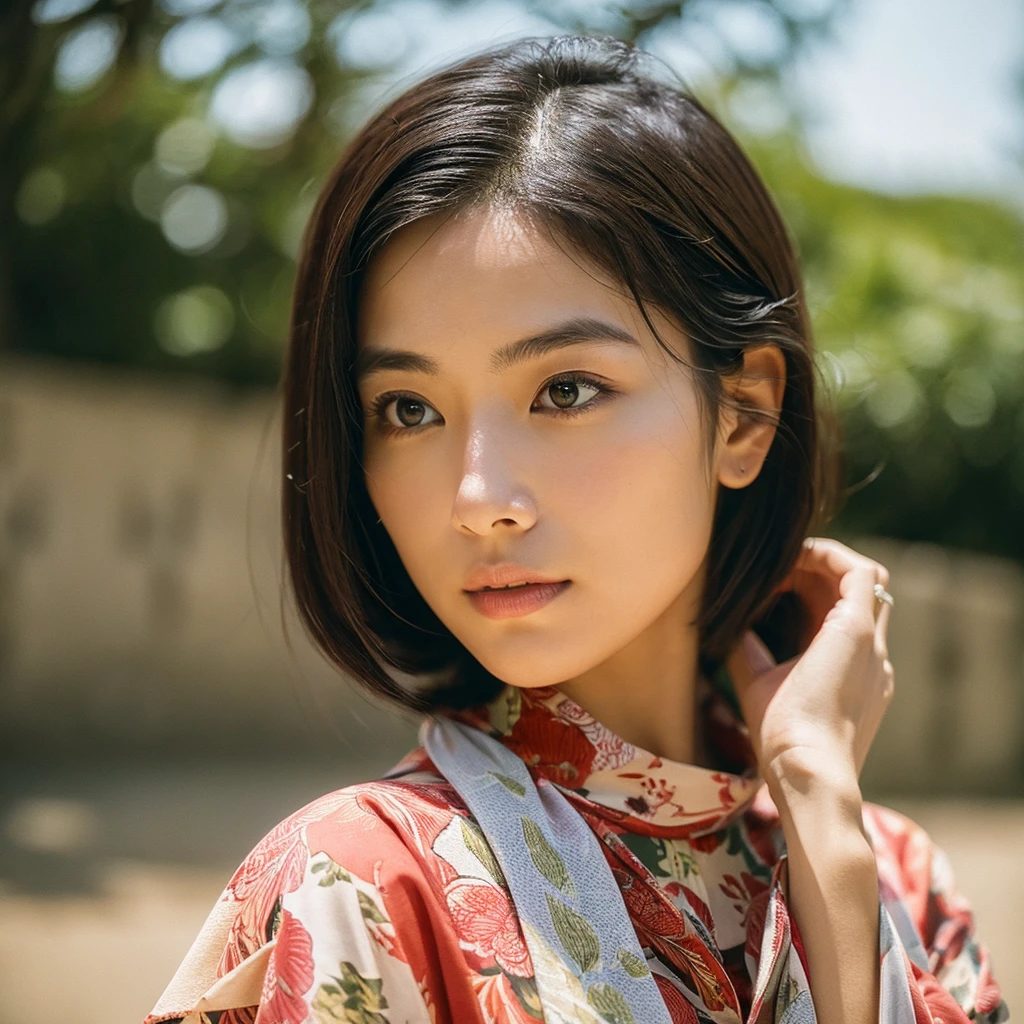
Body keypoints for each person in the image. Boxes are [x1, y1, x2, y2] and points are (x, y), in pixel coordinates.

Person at [144, 33, 1009, 1024]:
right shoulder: (358, 890)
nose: (478, 498)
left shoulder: (900, 878)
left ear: (744, 413)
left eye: (565, 389)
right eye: (408, 409)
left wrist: (819, 807)